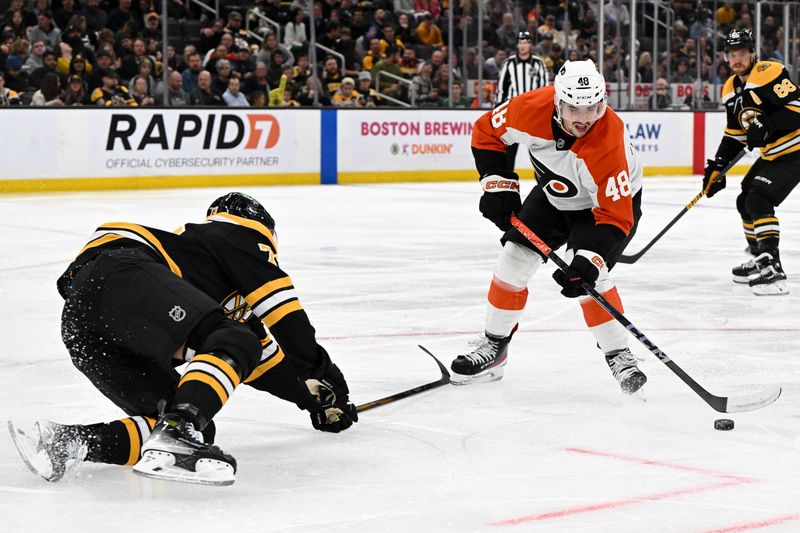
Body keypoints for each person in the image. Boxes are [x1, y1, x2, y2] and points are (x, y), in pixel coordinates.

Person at [8, 193, 358, 486]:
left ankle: (69, 443)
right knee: (224, 358)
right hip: (122, 272)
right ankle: (180, 427)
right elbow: (283, 311)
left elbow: (261, 359)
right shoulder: (236, 232)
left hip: (86, 321)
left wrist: (311, 399)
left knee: (186, 422)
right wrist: (321, 367)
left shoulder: (206, 281)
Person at [452, 60, 645, 395]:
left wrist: (588, 261)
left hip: (602, 211)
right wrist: (498, 184)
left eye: (593, 107)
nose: (585, 118)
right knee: (512, 259)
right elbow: (486, 131)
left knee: (590, 278)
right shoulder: (529, 108)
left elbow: (616, 217)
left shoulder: (608, 141)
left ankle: (618, 353)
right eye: (574, 108)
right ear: (558, 102)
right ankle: (494, 347)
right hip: (555, 194)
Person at [703, 28, 800, 296]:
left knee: (758, 198)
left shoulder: (769, 72)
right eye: (732, 54)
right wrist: (717, 166)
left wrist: (766, 122)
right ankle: (760, 258)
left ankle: (773, 267)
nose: (737, 59)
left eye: (742, 53)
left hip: (795, 150)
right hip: (773, 153)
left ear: (752, 53)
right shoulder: (730, 88)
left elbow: (796, 110)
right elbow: (734, 135)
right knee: (744, 199)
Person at [496, 31, 549, 170]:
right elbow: (502, 88)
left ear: (530, 44)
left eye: (526, 42)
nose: (523, 45)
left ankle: (542, 184)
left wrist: (544, 110)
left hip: (533, 112)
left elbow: (544, 88)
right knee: (509, 150)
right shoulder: (508, 63)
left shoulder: (538, 63)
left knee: (539, 150)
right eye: (521, 42)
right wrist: (498, 108)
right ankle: (507, 180)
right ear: (517, 45)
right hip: (513, 111)